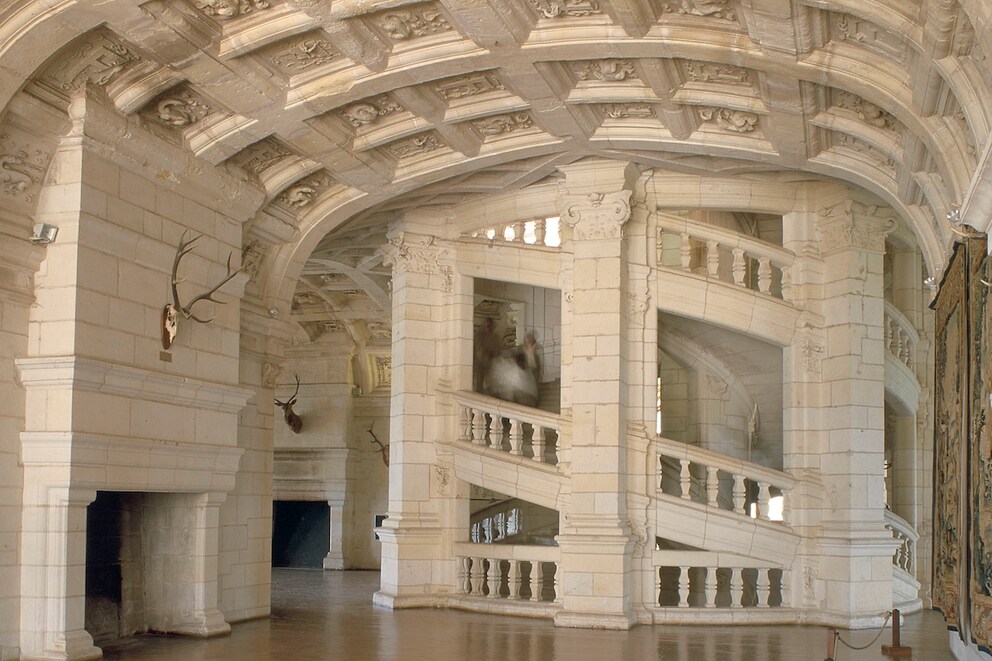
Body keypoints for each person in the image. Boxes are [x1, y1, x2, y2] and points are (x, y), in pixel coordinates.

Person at [474, 317, 502, 393]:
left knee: (491, 384)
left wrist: (495, 354)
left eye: (491, 326)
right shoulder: (479, 336)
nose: (490, 328)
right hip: (480, 364)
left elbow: (499, 349)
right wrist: (487, 353)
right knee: (478, 384)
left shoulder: (496, 337)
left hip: (492, 365)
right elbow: (478, 349)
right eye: (488, 326)